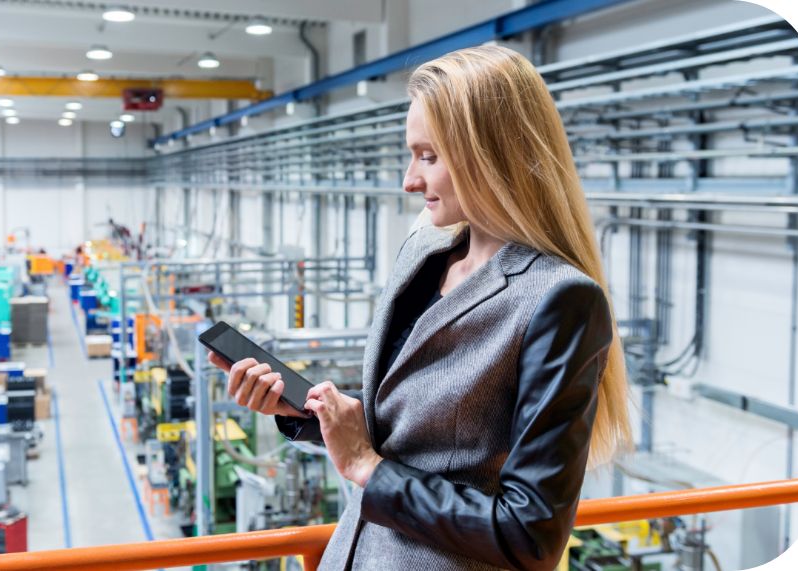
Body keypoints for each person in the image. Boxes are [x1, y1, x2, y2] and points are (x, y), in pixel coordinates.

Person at [208, 45, 632, 571]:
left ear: (493, 155)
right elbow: (411, 423)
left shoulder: (558, 299)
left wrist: (367, 466)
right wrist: (311, 411)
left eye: (429, 157)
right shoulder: (423, 252)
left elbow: (531, 535)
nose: (410, 180)